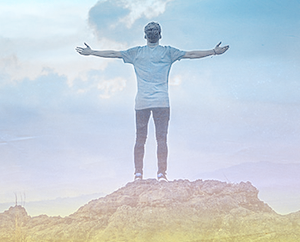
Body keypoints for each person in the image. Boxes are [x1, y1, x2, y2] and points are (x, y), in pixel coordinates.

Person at [76, 22, 229, 182]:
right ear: (159, 35)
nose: (152, 32)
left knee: (140, 139)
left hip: (143, 103)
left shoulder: (137, 53)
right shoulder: (167, 52)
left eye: (153, 30)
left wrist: (92, 52)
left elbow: (114, 54)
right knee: (160, 139)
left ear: (147, 35)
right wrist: (213, 52)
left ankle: (139, 174)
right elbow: (191, 55)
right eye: (151, 30)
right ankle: (159, 174)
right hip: (161, 102)